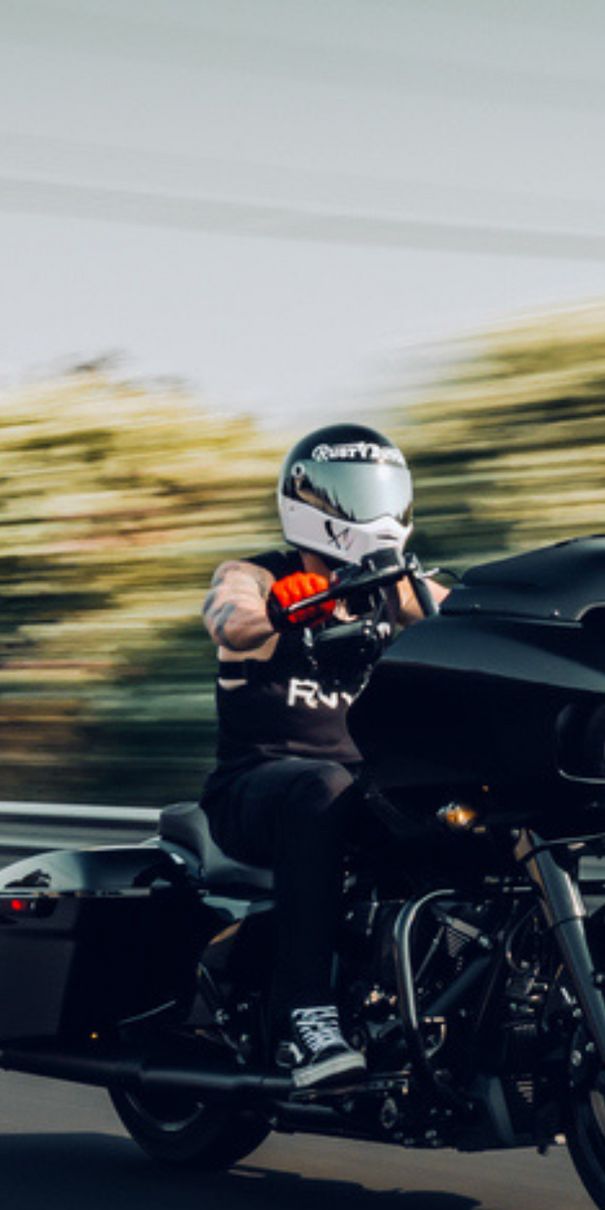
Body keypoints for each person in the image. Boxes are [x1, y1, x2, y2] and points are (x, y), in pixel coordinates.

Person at [199, 425, 445, 1089]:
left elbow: (475, 622)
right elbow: (229, 616)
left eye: (384, 491)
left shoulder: (403, 588)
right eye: (356, 493)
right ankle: (307, 1016)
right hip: (256, 787)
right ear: (312, 502)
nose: (376, 508)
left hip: (363, 792)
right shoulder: (259, 575)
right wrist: (284, 614)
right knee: (324, 786)